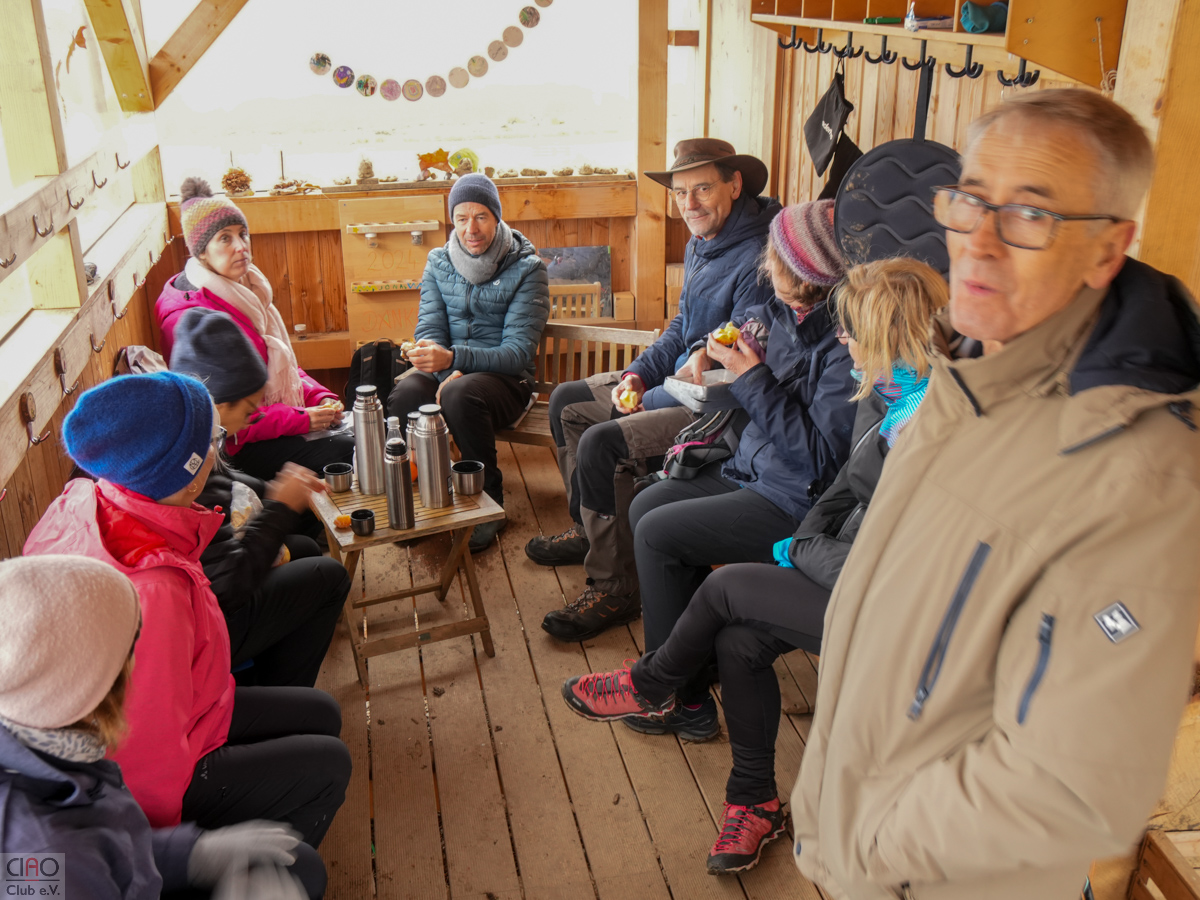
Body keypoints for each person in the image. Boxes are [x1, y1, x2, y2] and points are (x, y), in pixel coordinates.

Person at [793, 89, 1200, 900]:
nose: (977, 241)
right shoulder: (965, 382)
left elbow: (1070, 788)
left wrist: (867, 845)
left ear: (1108, 249)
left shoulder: (1141, 472)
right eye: (971, 200)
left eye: (1031, 216)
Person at [558, 257, 947, 876]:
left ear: (885, 334)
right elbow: (845, 486)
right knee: (738, 643)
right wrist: (810, 536)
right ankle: (755, 801)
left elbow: (904, 556)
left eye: (850, 330)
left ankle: (652, 684)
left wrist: (805, 549)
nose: (841, 338)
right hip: (841, 557)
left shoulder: (941, 427)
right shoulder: (886, 392)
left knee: (727, 587)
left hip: (897, 602)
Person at [24, 372, 351, 849]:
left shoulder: (94, 497)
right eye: (213, 441)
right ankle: (273, 865)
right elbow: (144, 752)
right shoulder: (154, 589)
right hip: (156, 780)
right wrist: (176, 853)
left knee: (321, 713)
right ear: (193, 472)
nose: (219, 451)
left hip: (195, 707)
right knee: (328, 764)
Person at [542, 199, 856, 646]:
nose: (767, 265)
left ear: (805, 274)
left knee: (653, 526)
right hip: (752, 463)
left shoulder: (846, 347)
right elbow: (744, 321)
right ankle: (689, 648)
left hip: (794, 497)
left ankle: (666, 670)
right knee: (645, 503)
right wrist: (708, 347)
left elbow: (819, 461)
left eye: (776, 257)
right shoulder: (787, 310)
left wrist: (751, 378)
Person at [529, 138, 782, 635]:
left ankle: (616, 588)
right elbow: (682, 326)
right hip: (676, 384)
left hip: (718, 407)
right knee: (565, 402)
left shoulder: (758, 256)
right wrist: (637, 375)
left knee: (602, 443)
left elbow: (730, 361)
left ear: (735, 185)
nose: (689, 204)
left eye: (702, 189)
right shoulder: (701, 242)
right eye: (680, 192)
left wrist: (647, 397)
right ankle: (593, 532)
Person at [0, 555, 325, 900]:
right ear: (91, 686)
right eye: (128, 651)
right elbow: (86, 860)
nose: (136, 662)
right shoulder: (44, 855)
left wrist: (192, 854)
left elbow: (109, 845)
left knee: (297, 863)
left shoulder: (54, 744)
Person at [170, 307, 349, 688]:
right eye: (250, 411)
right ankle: (280, 697)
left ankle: (270, 674)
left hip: (203, 592)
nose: (252, 419)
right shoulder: (190, 470)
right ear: (219, 406)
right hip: (201, 625)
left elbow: (228, 482)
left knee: (304, 548)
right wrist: (280, 507)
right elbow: (230, 586)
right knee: (330, 575)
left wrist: (275, 490)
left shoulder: (189, 428)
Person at [385, 172, 550, 552]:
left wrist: (456, 360)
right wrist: (444, 365)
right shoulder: (439, 262)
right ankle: (426, 499)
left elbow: (517, 352)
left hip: (507, 380)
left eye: (480, 217)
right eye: (461, 218)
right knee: (406, 393)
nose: (470, 229)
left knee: (459, 394)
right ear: (452, 220)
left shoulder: (528, 268)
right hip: (450, 373)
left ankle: (488, 503)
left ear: (497, 217)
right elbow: (430, 328)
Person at [155, 177, 353, 482]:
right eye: (225, 238)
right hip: (232, 448)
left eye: (242, 234)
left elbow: (281, 368)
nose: (241, 246)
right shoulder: (192, 319)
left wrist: (319, 398)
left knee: (356, 433)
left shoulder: (249, 291)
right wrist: (302, 420)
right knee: (345, 449)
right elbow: (224, 416)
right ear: (201, 251)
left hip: (268, 425)